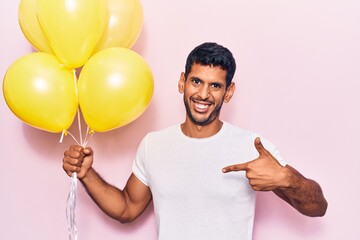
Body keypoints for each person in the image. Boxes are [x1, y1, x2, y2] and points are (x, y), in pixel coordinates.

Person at [63, 42, 327, 240]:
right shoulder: (153, 145)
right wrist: (87, 174)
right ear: (182, 82)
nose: (203, 94)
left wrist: (286, 179)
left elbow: (318, 207)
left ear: (229, 91)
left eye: (215, 86)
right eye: (196, 81)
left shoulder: (252, 146)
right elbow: (127, 208)